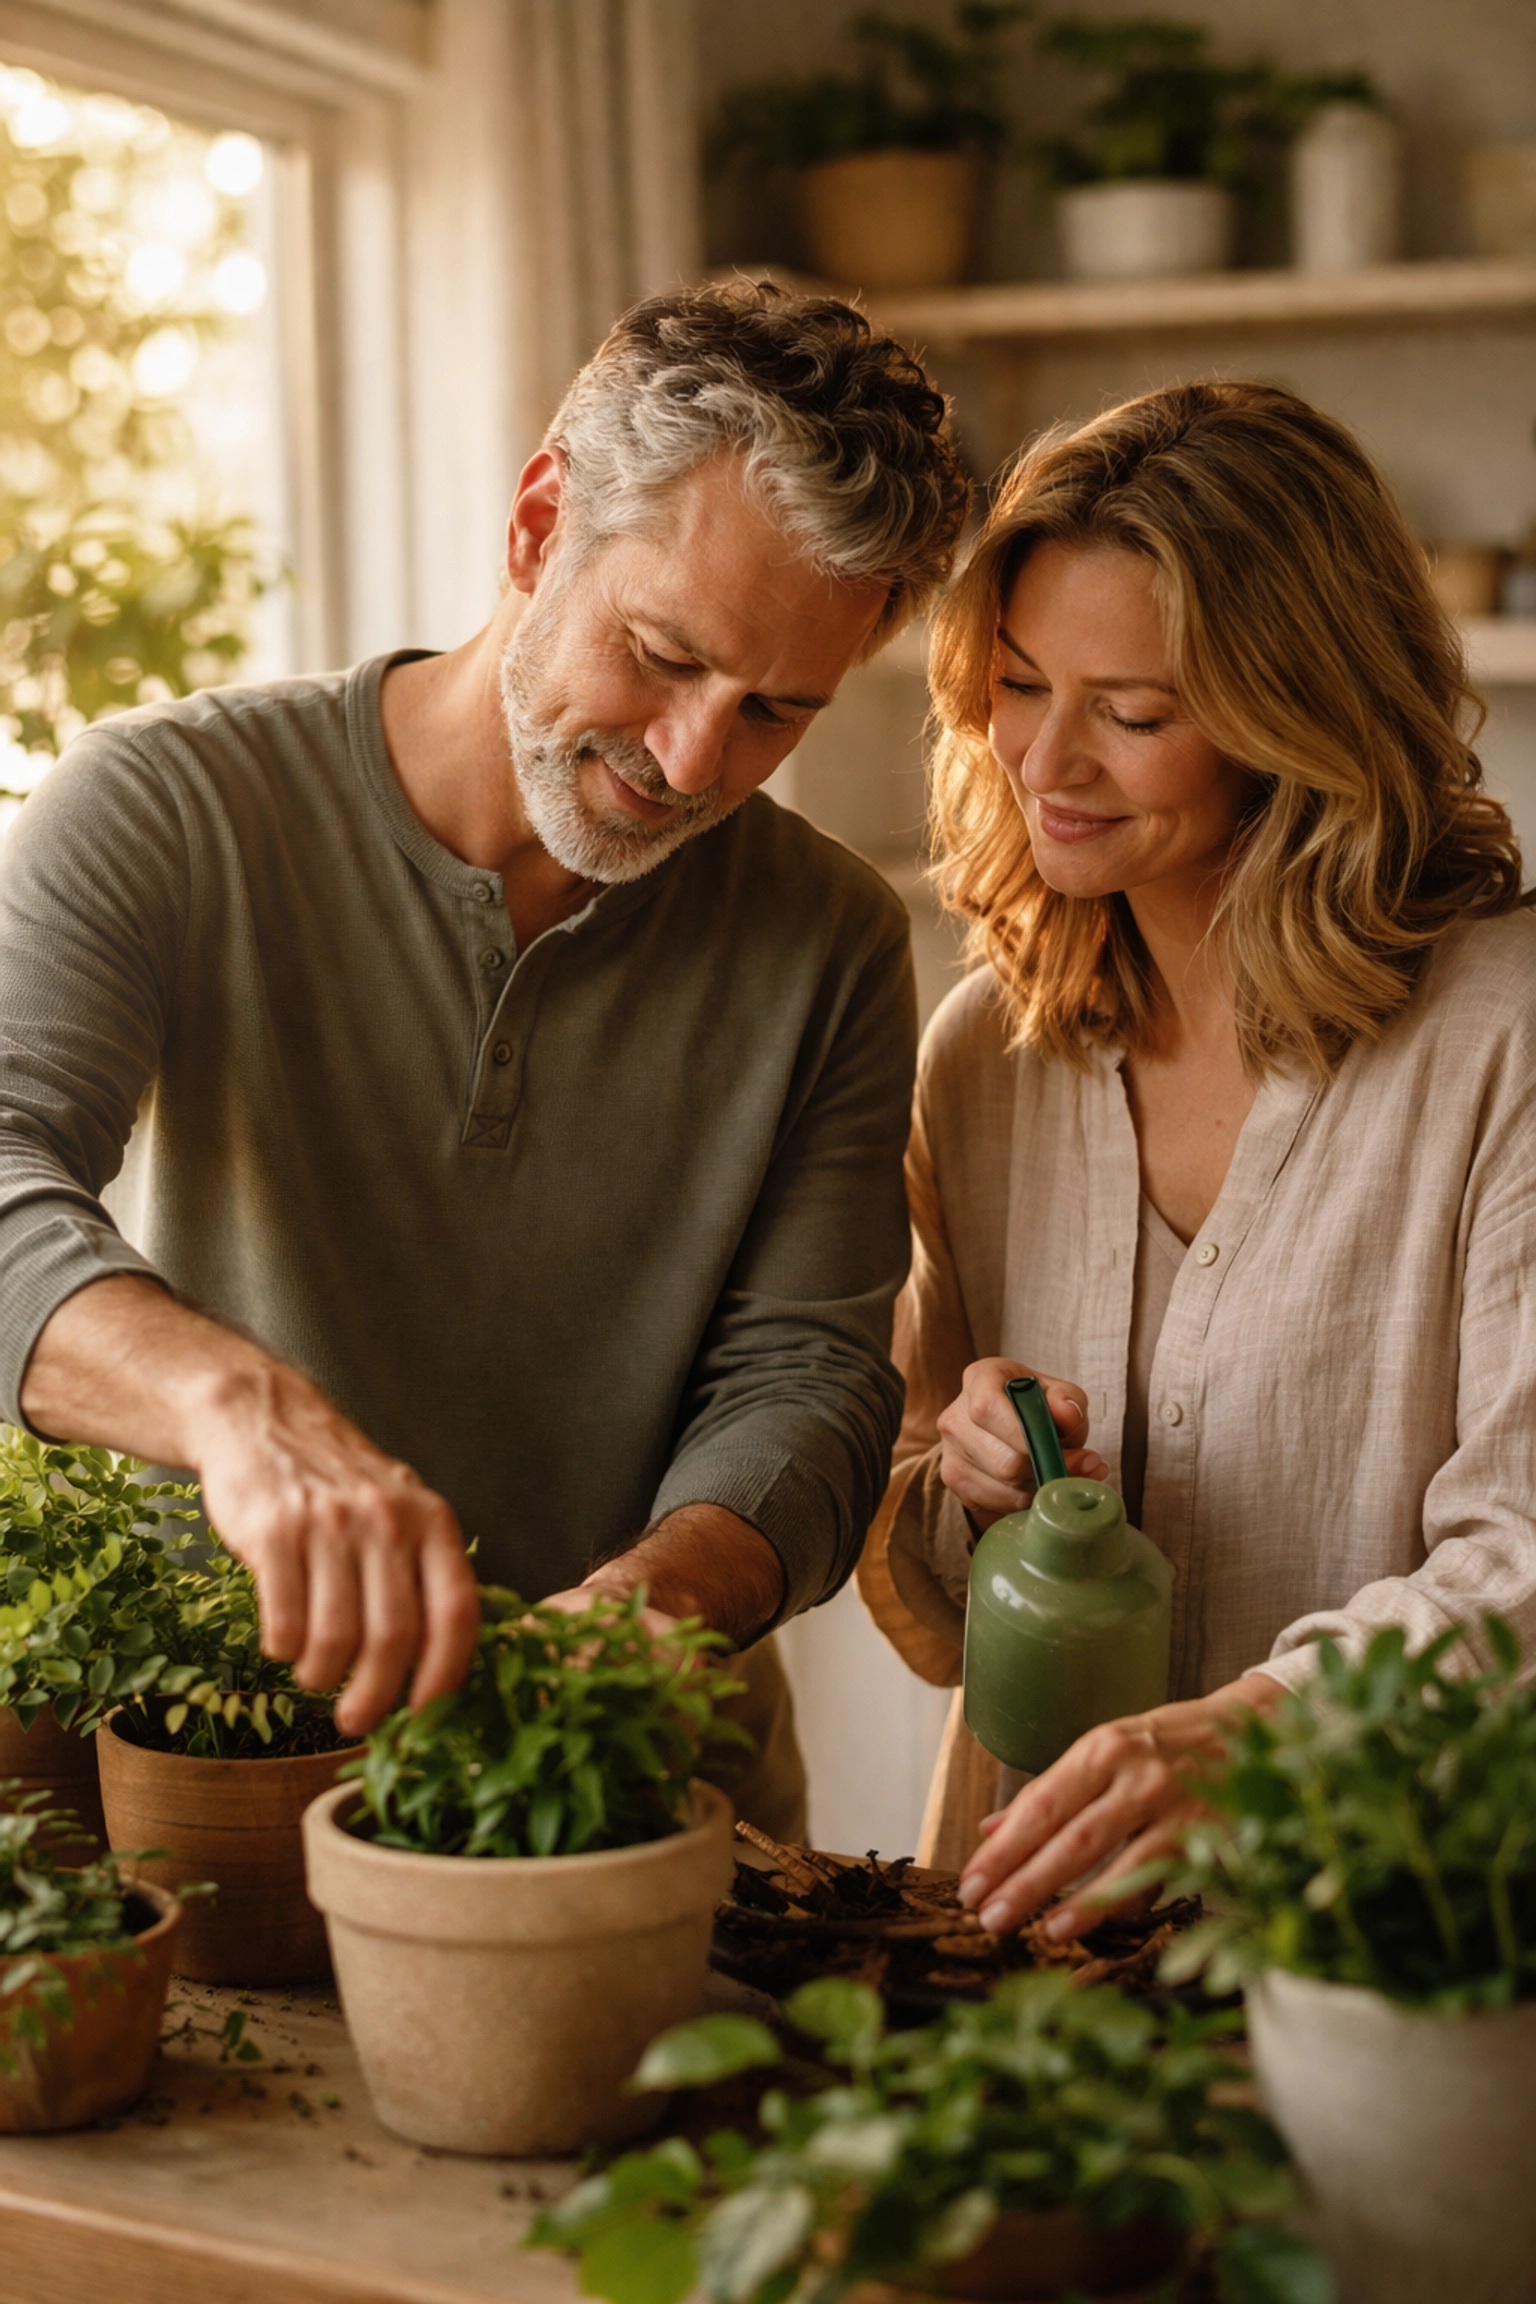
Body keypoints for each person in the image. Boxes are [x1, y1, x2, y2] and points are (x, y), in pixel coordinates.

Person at [0, 281, 970, 1831]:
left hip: (641, 1798)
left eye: (777, 712)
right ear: (537, 527)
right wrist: (238, 1413)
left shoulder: (830, 938)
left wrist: (657, 1605)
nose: (692, 762)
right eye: (661, 654)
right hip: (204, 1791)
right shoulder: (164, 810)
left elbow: (811, 1370)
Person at [858, 379, 1536, 1934]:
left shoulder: (1503, 1036)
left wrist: (1251, 1734)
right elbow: (920, 1561)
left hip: (1395, 1946)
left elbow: (1525, 1569)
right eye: (1020, 684)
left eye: (1136, 712)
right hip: (1032, 1923)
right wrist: (969, 1475)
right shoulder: (984, 1054)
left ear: (1301, 718)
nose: (1047, 760)